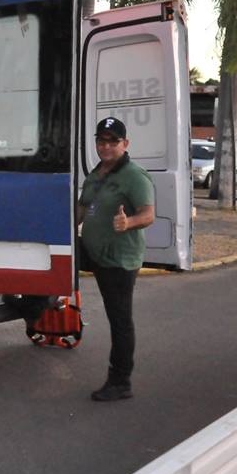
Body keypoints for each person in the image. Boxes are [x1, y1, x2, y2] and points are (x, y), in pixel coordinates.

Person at [78, 117, 155, 402]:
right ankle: (43, 312)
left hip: (119, 260)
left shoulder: (134, 176)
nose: (106, 147)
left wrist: (129, 222)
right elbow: (82, 209)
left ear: (125, 144)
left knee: (119, 319)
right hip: (95, 253)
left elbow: (148, 214)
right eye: (102, 141)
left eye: (113, 142)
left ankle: (120, 381)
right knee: (53, 263)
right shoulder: (97, 172)